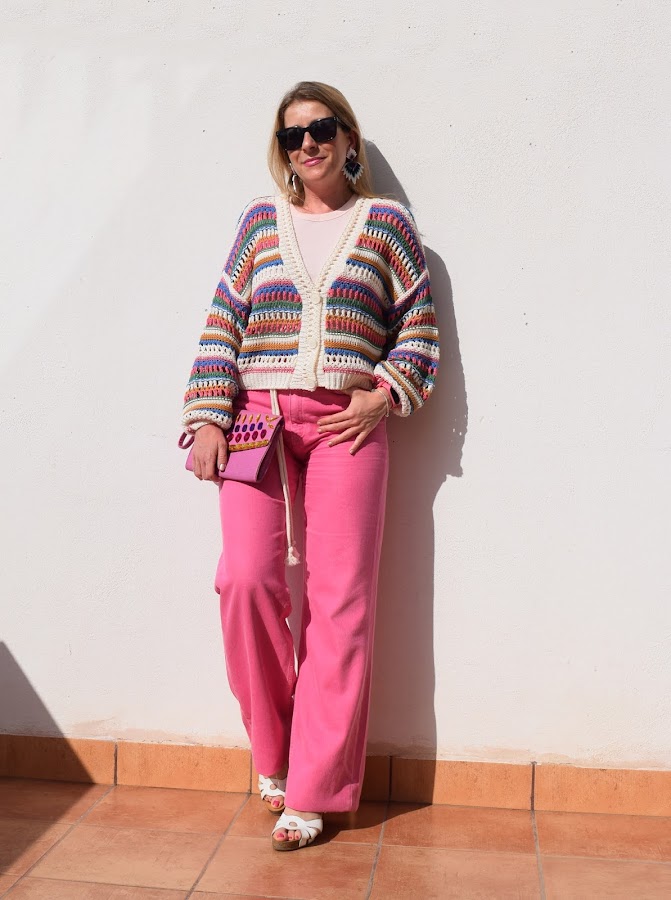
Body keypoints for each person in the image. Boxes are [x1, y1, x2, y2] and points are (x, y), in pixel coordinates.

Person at [181, 81, 439, 851]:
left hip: (344, 428)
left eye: (321, 128)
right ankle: (275, 750)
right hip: (254, 419)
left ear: (347, 136)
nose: (308, 145)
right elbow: (223, 319)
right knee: (245, 582)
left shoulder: (385, 223)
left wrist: (384, 393)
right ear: (282, 148)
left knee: (339, 601)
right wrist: (206, 416)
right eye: (292, 135)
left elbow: (417, 325)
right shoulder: (259, 222)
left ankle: (314, 789)